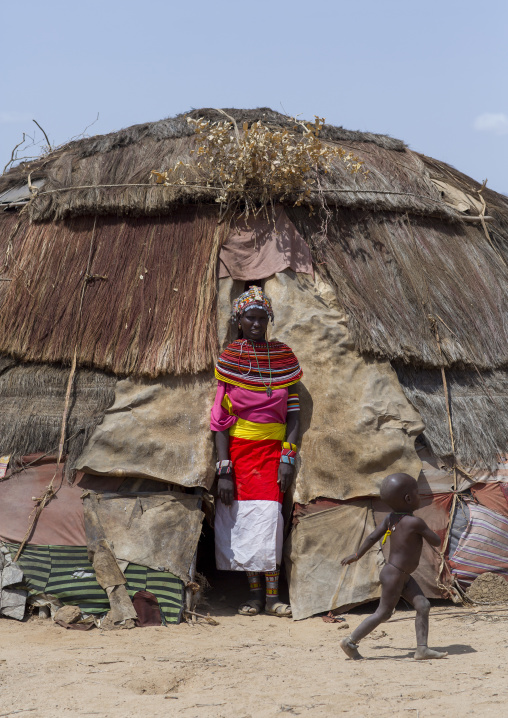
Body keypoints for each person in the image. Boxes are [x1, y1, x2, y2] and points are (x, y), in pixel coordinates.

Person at [210, 286, 302, 617]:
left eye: (263, 318)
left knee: (269, 522)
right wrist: (224, 468)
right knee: (244, 524)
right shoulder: (230, 360)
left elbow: (293, 413)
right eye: (251, 318)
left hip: (272, 453)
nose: (257, 324)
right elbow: (220, 421)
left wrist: (287, 456)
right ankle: (255, 596)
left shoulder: (283, 358)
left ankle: (275, 597)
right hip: (240, 453)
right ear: (239, 320)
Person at [340, 473, 448, 660]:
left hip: (398, 574)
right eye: (417, 493)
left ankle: (422, 649)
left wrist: (357, 555)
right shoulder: (415, 522)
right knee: (383, 612)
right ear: (408, 498)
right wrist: (428, 529)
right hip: (396, 574)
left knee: (422, 605)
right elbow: (436, 540)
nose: (419, 496)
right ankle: (350, 641)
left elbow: (373, 537)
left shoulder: (391, 518)